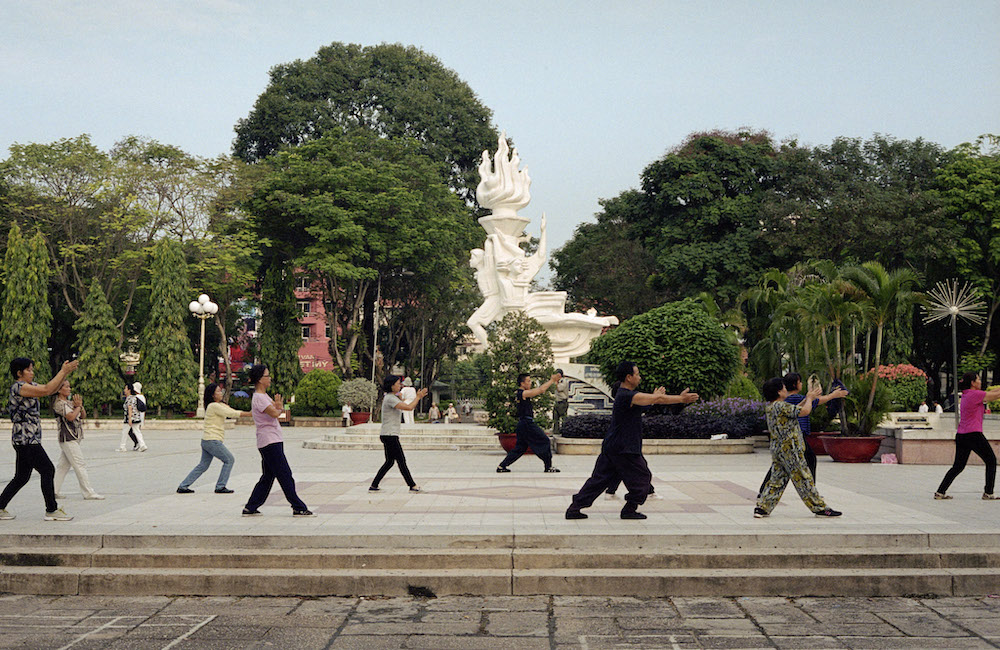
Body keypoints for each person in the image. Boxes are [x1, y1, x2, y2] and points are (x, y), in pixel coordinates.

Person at [566, 361, 698, 520]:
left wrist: (656, 397)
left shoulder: (629, 397)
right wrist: (680, 399)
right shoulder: (625, 395)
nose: (639, 377)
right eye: (637, 374)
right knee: (643, 478)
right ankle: (629, 509)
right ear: (629, 377)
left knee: (599, 480)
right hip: (624, 448)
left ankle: (574, 508)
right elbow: (656, 399)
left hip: (614, 446)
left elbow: (651, 401)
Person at [0, 358, 79, 521]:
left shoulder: (30, 386)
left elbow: (52, 389)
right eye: (29, 370)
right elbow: (46, 389)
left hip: (26, 439)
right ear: (19, 373)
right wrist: (63, 371)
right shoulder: (19, 387)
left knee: (21, 477)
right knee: (48, 470)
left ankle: (0, 506)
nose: (32, 372)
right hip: (26, 439)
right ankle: (51, 509)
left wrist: (65, 374)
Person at [755, 377, 841, 518]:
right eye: (783, 388)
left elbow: (797, 409)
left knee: (777, 480)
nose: (785, 391)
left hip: (778, 450)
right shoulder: (781, 406)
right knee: (804, 478)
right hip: (791, 450)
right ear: (778, 392)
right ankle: (820, 507)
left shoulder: (772, 407)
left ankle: (762, 508)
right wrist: (809, 398)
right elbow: (805, 411)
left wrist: (808, 398)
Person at [242, 365, 313, 517]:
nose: (270, 379)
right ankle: (298, 506)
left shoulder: (262, 396)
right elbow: (274, 413)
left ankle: (251, 506)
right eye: (267, 376)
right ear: (260, 379)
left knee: (268, 476)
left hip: (271, 440)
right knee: (284, 474)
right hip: (270, 442)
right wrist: (279, 408)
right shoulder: (260, 398)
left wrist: (277, 406)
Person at [934, 373, 1000, 500]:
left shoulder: (967, 394)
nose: (980, 381)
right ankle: (988, 492)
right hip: (973, 434)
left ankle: (940, 492)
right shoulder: (975, 395)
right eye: (978, 379)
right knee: (991, 460)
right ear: (972, 383)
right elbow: (996, 395)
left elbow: (994, 392)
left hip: (962, 435)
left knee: (958, 466)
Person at [177, 383, 247, 494]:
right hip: (212, 440)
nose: (221, 393)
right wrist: (251, 414)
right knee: (229, 460)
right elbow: (232, 413)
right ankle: (220, 486)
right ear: (212, 395)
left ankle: (183, 486)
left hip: (207, 440)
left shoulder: (218, 405)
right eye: (218, 391)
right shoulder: (213, 406)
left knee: (203, 465)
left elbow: (229, 409)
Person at [370, 375, 428, 492]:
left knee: (390, 462)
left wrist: (403, 398)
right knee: (401, 461)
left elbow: (402, 405)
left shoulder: (391, 397)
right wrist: (418, 397)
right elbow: (409, 407)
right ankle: (412, 485)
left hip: (388, 434)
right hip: (390, 435)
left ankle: (374, 485)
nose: (400, 385)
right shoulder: (390, 398)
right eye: (397, 383)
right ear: (391, 385)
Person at [497, 371, 563, 473]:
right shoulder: (523, 393)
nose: (530, 383)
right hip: (527, 424)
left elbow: (539, 389)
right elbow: (541, 390)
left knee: (520, 448)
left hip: (523, 424)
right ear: (522, 383)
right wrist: (552, 380)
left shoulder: (520, 393)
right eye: (528, 381)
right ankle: (548, 467)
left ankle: (502, 466)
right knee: (545, 440)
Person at [52, 379, 104, 500]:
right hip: (67, 437)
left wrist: (80, 406)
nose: (69, 389)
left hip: (75, 436)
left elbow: (82, 415)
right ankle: (88, 492)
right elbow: (70, 417)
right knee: (79, 464)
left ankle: (53, 490)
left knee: (63, 466)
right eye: (67, 387)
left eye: (70, 387)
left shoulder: (70, 403)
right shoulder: (59, 404)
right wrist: (78, 407)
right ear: (59, 389)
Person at [117, 383, 147, 452]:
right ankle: (142, 445)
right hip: (136, 418)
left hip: (130, 419)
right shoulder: (135, 398)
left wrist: (129, 419)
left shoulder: (129, 398)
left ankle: (122, 446)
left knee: (124, 432)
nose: (124, 390)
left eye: (125, 388)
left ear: (129, 390)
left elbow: (130, 408)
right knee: (137, 432)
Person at [552, 370, 570, 435]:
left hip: (562, 402)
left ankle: (565, 431)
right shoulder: (556, 382)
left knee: (563, 418)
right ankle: (556, 431)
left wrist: (556, 381)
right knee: (555, 418)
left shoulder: (563, 381)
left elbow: (559, 389)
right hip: (557, 402)